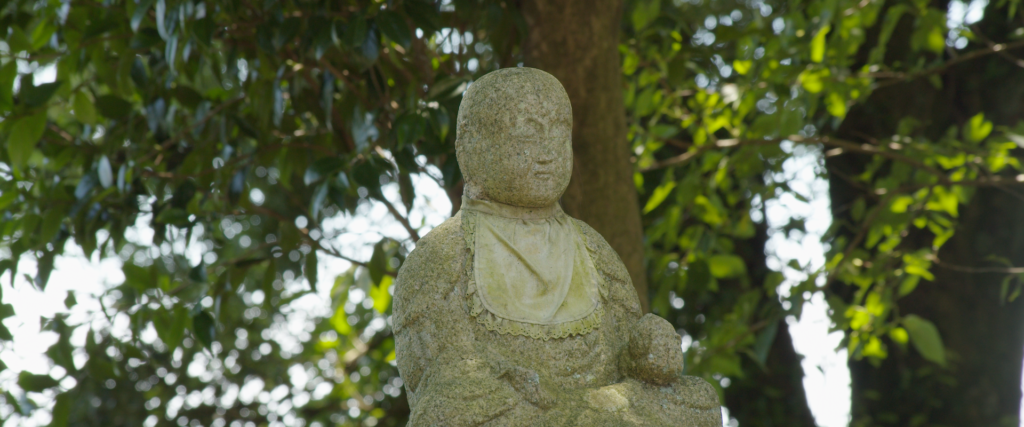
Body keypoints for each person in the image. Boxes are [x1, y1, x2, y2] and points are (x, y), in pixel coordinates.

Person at [393, 67, 721, 426]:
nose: (547, 153)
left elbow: (629, 355)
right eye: (527, 135)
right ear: (470, 145)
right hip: (519, 410)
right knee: (443, 413)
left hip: (602, 408)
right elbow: (438, 375)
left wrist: (648, 347)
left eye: (558, 134)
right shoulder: (440, 255)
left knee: (698, 400)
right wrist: (509, 378)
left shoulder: (592, 246)